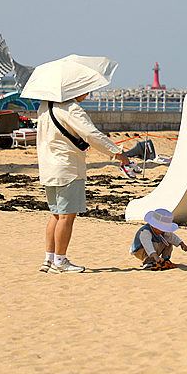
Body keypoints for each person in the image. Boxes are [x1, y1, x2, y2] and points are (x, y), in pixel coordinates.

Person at [36, 93, 129, 273]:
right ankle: (60, 262)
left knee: (56, 215)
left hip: (48, 168)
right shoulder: (70, 108)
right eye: (84, 90)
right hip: (67, 167)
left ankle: (49, 259)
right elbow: (90, 133)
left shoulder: (44, 106)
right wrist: (116, 152)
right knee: (66, 217)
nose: (86, 94)